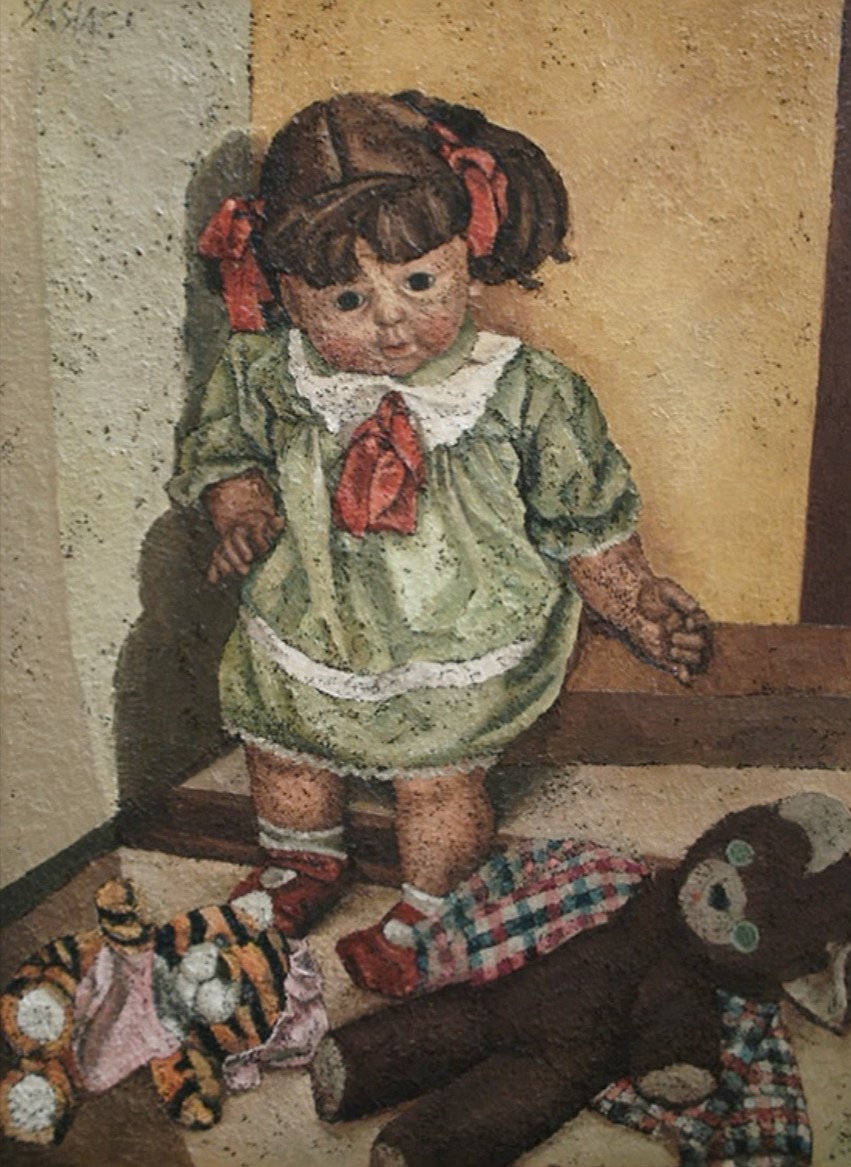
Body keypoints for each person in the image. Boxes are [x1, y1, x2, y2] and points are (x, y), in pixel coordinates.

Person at [169, 91, 710, 997]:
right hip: (315, 613)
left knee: (435, 784)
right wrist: (243, 509)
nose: (390, 319)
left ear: (466, 250)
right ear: (285, 293)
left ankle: (433, 903)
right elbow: (227, 449)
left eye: (418, 282)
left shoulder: (521, 389)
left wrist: (634, 602)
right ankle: (301, 858)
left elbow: (582, 516)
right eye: (349, 299)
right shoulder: (270, 373)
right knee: (282, 750)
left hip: (459, 626)